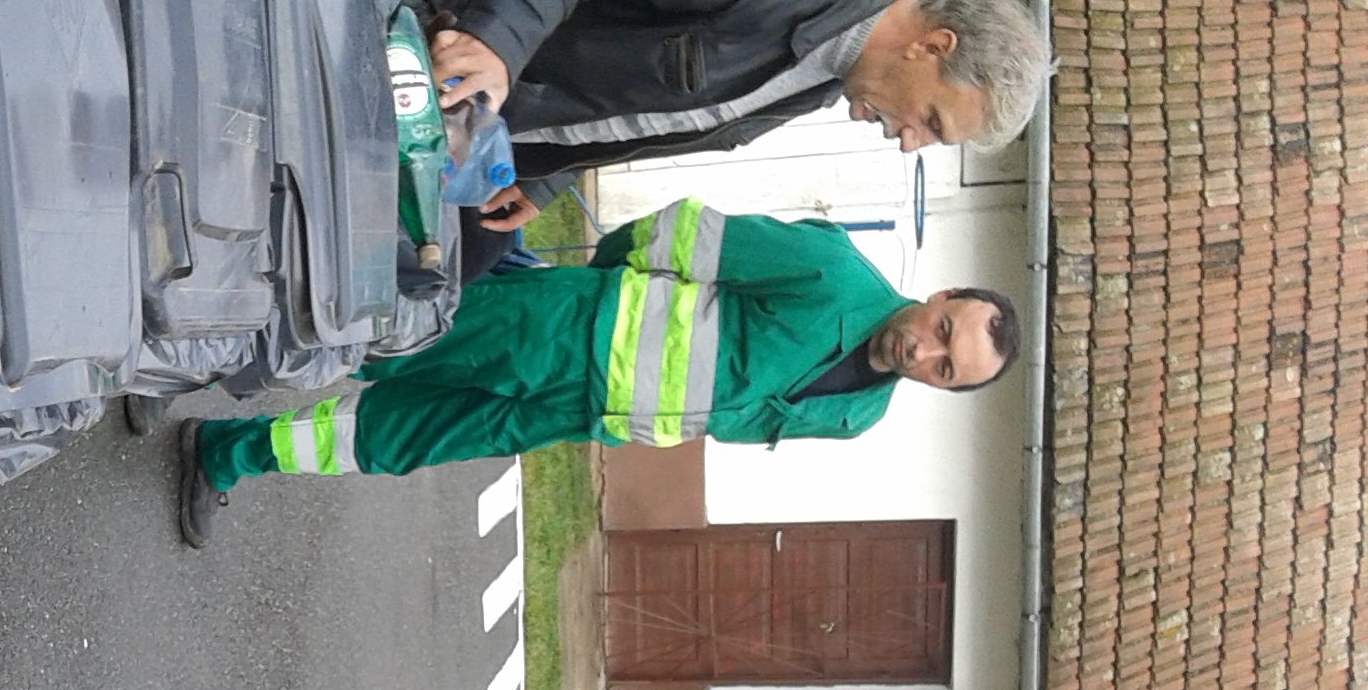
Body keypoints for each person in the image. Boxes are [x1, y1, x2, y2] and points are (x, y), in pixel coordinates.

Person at [173, 200, 1016, 546]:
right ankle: (183, 358)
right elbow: (680, 236)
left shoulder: (858, 416)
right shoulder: (833, 272)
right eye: (943, 330)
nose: (926, 353)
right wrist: (593, 281)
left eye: (946, 369)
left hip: (575, 412)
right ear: (940, 295)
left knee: (398, 439)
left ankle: (228, 452)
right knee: (372, 337)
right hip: (562, 327)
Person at [421, 0, 1051, 240]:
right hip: (451, 14)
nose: (911, 143)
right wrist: (498, 40)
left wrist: (544, 177)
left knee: (452, 266)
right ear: (934, 45)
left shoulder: (823, 81)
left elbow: (642, 113)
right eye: (933, 122)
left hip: (485, 125)